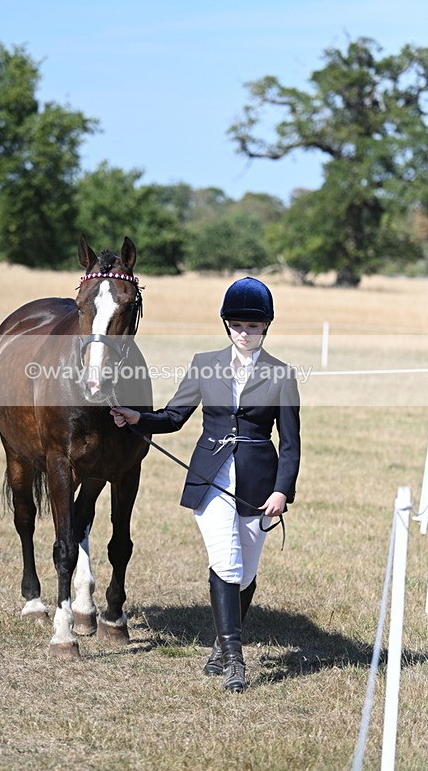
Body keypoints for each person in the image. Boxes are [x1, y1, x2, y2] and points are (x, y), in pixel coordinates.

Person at [111, 277, 300, 692]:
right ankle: (235, 660)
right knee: (227, 562)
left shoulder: (282, 374)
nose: (245, 333)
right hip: (210, 476)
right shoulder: (204, 363)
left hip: (258, 480)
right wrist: (138, 417)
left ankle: (220, 645)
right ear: (226, 325)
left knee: (247, 573)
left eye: (253, 326)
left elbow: (290, 443)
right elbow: (174, 416)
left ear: (265, 327)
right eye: (237, 325)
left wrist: (282, 491)